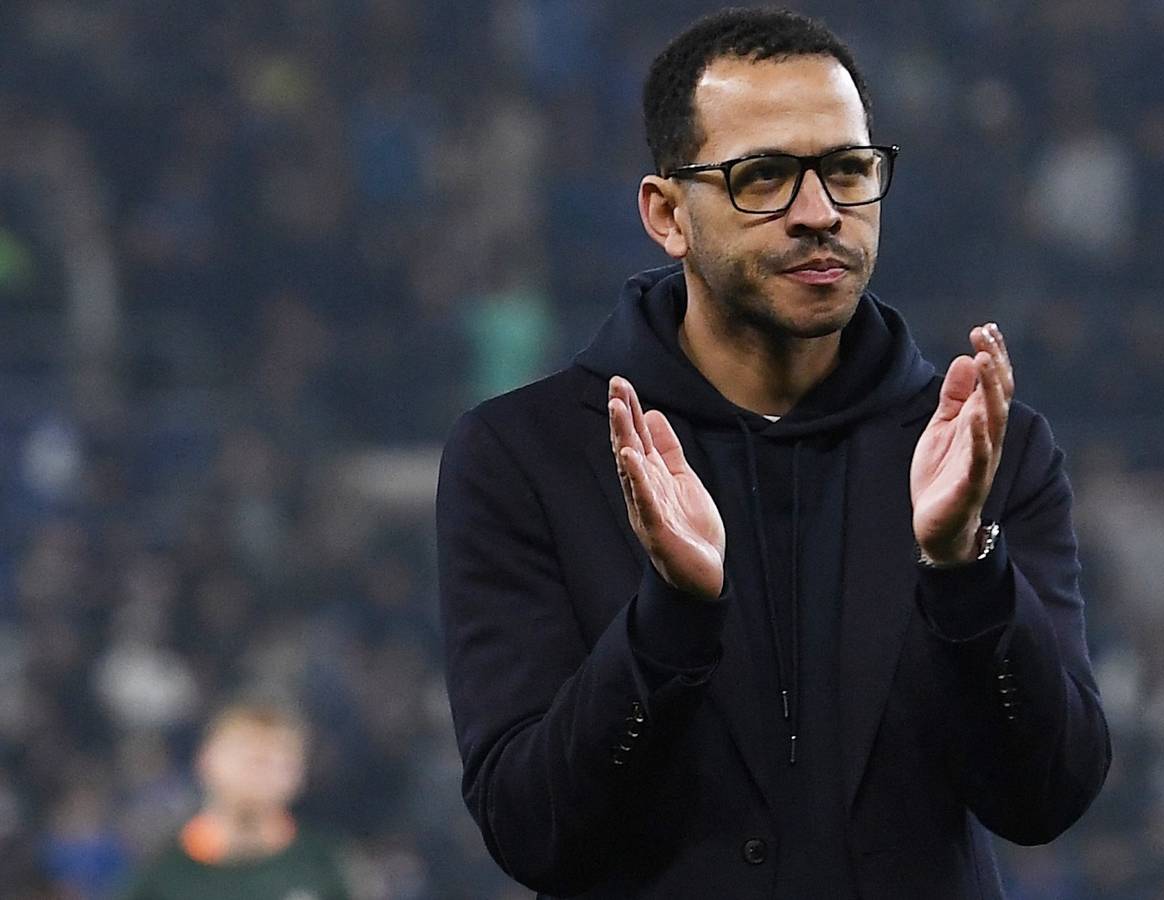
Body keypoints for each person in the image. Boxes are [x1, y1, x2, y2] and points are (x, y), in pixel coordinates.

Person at [436, 8, 1111, 897]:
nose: (820, 214)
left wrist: (966, 572)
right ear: (668, 214)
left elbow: (1045, 797)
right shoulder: (525, 456)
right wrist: (669, 621)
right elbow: (531, 831)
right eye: (764, 177)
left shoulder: (987, 450)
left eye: (848, 170)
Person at [121, 701, 350, 900]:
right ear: (206, 760)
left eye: (274, 759)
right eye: (245, 755)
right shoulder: (160, 873)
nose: (258, 771)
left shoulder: (326, 866)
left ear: (299, 773)